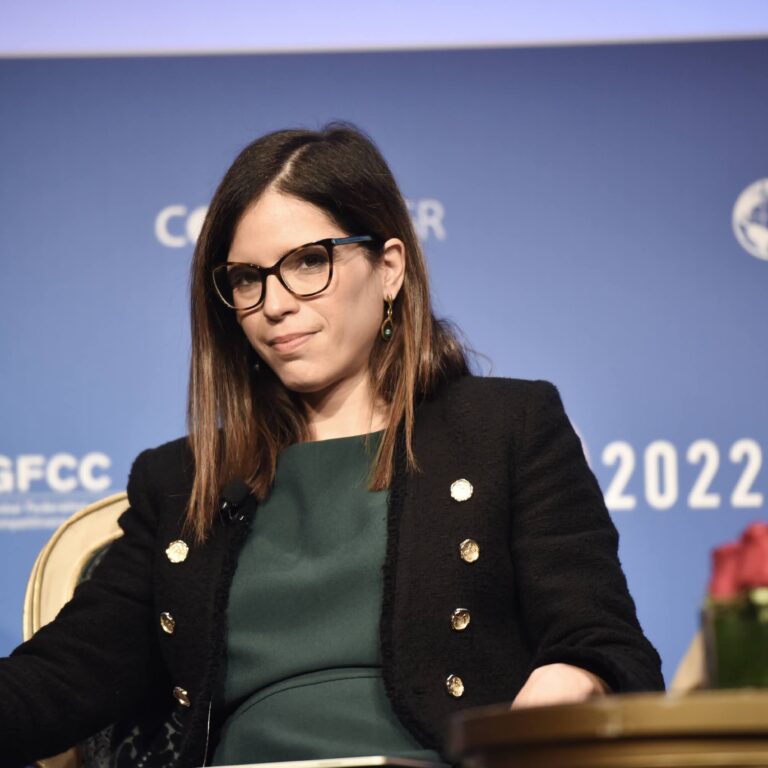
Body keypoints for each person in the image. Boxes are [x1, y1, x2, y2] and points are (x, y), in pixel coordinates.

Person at [1, 124, 663, 768]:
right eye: (247, 278)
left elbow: (603, 641)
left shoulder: (507, 428)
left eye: (308, 262)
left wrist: (567, 681)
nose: (274, 304)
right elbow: (61, 677)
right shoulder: (181, 479)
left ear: (389, 268)